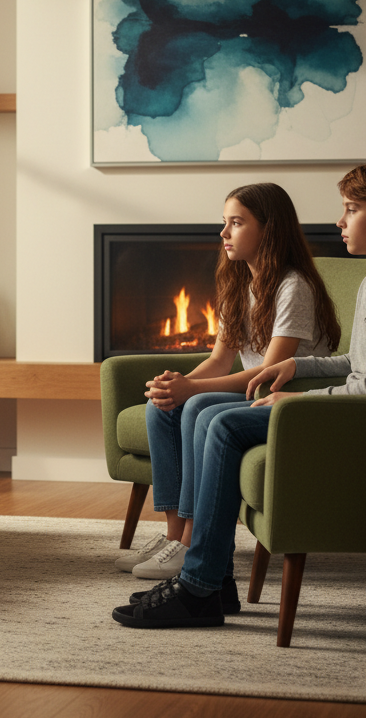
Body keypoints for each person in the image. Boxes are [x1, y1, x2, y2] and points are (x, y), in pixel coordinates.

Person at [114, 160, 366, 628]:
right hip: (347, 409)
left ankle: (199, 586)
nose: (340, 221)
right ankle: (211, 582)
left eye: (352, 210)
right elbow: (357, 363)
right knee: (206, 413)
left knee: (224, 421)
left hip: (365, 422)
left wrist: (298, 397)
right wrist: (299, 365)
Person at [119, 183, 340, 598]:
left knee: (195, 403)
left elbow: (269, 371)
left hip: (284, 392)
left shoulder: (293, 287)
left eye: (236, 223)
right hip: (253, 388)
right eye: (224, 222)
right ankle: (174, 537)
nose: (224, 233)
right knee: (162, 406)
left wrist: (192, 391)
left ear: (269, 230)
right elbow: (221, 361)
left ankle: (188, 544)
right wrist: (177, 385)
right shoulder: (238, 282)